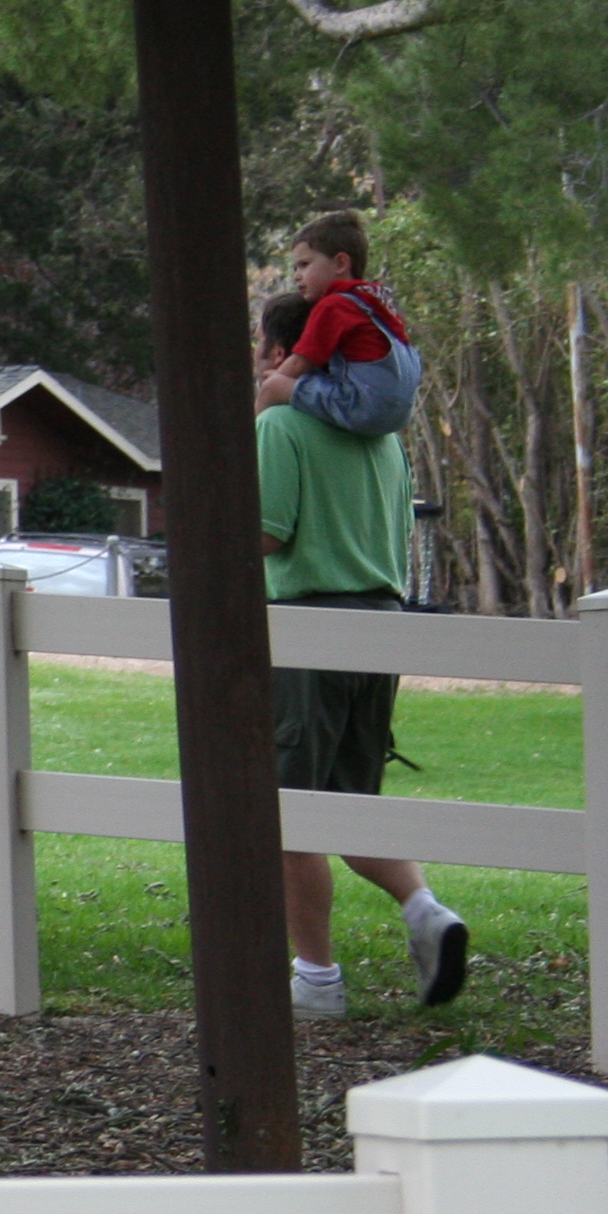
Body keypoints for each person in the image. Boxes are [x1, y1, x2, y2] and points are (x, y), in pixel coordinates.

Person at [255, 316, 471, 1017]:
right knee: (352, 804)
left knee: (291, 812)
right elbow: (397, 534)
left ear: (282, 351)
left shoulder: (280, 427)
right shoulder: (384, 440)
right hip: (380, 627)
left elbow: (267, 532)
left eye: (259, 346)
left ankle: (317, 982)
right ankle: (426, 911)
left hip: (308, 630)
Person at [256, 209, 422, 439]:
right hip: (399, 415)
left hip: (362, 406)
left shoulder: (334, 306)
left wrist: (275, 378)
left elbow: (300, 362)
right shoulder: (376, 301)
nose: (297, 275)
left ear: (341, 263)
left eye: (304, 264)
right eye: (295, 268)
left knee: (272, 387)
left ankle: (247, 446)